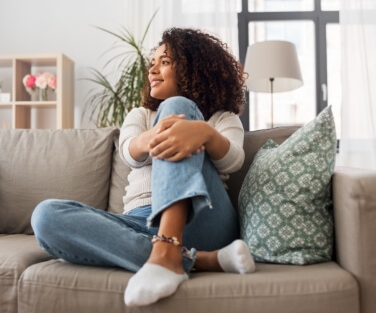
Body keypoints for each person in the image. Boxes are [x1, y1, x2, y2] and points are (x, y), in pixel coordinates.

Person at [31, 27, 256, 307]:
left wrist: (204, 133)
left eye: (165, 62)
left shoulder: (224, 118)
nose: (152, 70)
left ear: (194, 69)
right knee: (46, 217)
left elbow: (233, 160)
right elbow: (129, 152)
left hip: (204, 218)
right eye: (153, 62)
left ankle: (167, 252)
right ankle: (193, 259)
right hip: (141, 222)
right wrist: (152, 137)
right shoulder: (140, 115)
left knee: (178, 106)